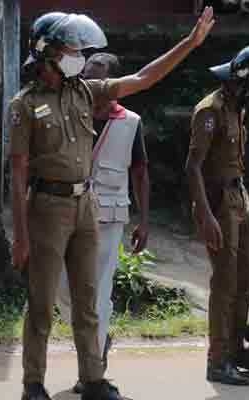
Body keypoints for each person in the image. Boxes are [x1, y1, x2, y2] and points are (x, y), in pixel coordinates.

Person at [10, 10, 214, 400]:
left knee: (89, 302)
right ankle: (33, 383)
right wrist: (20, 236)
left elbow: (142, 79)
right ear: (46, 51)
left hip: (85, 203)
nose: (78, 55)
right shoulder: (24, 105)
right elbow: (18, 174)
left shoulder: (85, 90)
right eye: (70, 48)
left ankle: (93, 379)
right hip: (46, 207)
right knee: (41, 302)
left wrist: (190, 44)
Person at [185, 45, 249, 385]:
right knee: (225, 282)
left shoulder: (237, 107)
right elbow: (193, 167)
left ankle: (232, 353)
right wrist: (205, 214)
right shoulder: (210, 109)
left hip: (238, 197)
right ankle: (217, 361)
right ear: (243, 79)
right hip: (217, 202)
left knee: (245, 278)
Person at [54, 53, 150, 394]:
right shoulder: (70, 112)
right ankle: (99, 337)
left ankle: (90, 367)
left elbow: (139, 172)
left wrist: (144, 220)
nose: (90, 84)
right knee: (61, 289)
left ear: (115, 87)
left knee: (97, 293)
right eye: (86, 78)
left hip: (109, 218)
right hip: (66, 212)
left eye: (97, 78)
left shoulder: (131, 122)